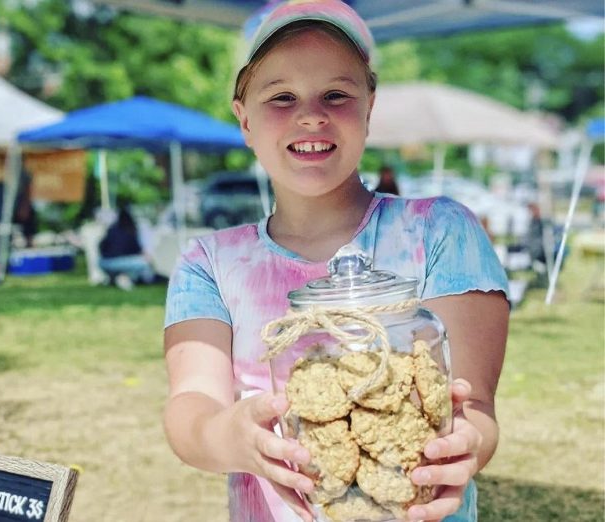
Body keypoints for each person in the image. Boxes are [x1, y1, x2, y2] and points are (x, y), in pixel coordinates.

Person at [163, 2, 509, 521]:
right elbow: (191, 405)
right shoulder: (209, 263)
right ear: (244, 118)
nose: (310, 114)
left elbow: (473, 408)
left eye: (336, 94)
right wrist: (228, 436)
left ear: (369, 108)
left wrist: (463, 448)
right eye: (281, 96)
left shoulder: (440, 231)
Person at [98, 205, 154, 289]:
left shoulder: (111, 229)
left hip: (105, 262)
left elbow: (102, 246)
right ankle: (126, 278)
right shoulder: (131, 230)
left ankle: (118, 277)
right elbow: (137, 249)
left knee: (129, 266)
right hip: (123, 261)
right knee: (144, 264)